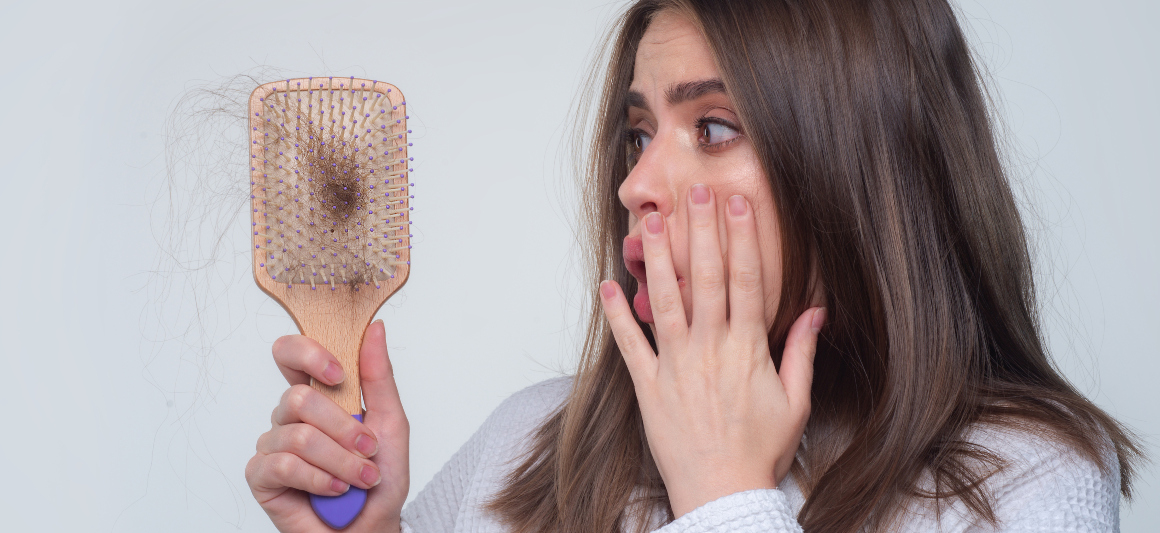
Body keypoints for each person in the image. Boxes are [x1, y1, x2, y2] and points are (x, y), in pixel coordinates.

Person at [244, 0, 1143, 531]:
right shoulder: (529, 435)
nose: (637, 181)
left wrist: (721, 491)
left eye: (712, 127)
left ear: (866, 173)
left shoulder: (1027, 482)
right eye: (638, 133)